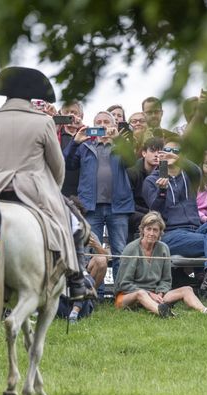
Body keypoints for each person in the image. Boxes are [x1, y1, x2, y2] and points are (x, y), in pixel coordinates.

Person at [0, 66, 93, 301]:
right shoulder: (44, 122)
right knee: (73, 224)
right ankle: (76, 280)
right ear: (32, 96)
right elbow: (58, 166)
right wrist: (53, 189)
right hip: (32, 190)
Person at [143, 138, 207, 293]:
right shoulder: (151, 180)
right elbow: (154, 211)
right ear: (161, 154)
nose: (171, 154)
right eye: (167, 151)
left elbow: (196, 169)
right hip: (170, 234)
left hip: (195, 230)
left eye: (176, 151)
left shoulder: (190, 176)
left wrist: (179, 159)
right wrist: (162, 191)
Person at [115, 212, 207, 316]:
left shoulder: (163, 248)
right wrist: (149, 294)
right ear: (142, 230)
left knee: (187, 289)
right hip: (129, 296)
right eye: (148, 229)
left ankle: (206, 310)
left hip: (156, 295)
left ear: (160, 232)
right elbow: (124, 284)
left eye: (155, 230)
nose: (151, 233)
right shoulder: (131, 249)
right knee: (140, 293)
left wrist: (160, 292)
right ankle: (164, 313)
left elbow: (166, 280)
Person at [66, 111, 134, 279]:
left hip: (118, 206)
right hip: (90, 206)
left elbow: (132, 161)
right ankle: (95, 293)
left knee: (119, 251)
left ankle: (120, 293)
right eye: (99, 122)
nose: (102, 124)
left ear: (114, 125)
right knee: (90, 251)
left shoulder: (121, 144)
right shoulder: (84, 145)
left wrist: (118, 138)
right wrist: (75, 141)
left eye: (106, 121)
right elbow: (67, 163)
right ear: (93, 126)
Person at [127, 137, 163, 240]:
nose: (156, 155)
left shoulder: (164, 172)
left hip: (156, 212)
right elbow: (129, 203)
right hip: (133, 212)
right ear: (144, 153)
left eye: (160, 152)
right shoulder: (132, 173)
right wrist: (150, 212)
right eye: (152, 151)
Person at [56, 100, 85, 197]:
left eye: (74, 112)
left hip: (82, 192)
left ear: (81, 116)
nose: (70, 115)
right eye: (66, 112)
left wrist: (81, 127)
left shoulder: (88, 135)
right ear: (60, 115)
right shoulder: (54, 134)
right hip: (59, 190)